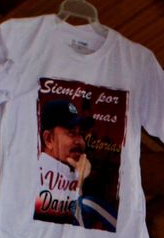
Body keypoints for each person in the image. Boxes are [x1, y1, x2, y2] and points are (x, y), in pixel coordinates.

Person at [34, 98, 116, 231]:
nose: (80, 141)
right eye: (71, 133)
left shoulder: (75, 172)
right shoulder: (36, 175)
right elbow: (73, 227)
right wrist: (80, 182)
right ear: (49, 139)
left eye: (81, 134)